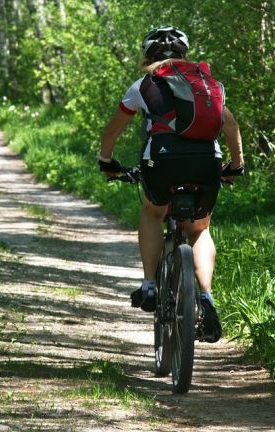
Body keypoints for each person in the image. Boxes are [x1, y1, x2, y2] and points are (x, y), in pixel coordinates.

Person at [98, 26, 244, 342]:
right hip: (207, 162)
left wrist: (106, 161)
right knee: (200, 229)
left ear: (147, 56)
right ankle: (206, 297)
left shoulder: (143, 85)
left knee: (153, 212)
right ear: (184, 54)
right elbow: (230, 124)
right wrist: (236, 166)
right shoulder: (206, 84)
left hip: (161, 162)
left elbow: (112, 132)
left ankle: (150, 285)